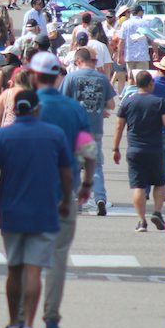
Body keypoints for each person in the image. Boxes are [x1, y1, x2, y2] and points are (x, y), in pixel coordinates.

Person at [0, 89, 73, 328]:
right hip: (43, 209)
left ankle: (13, 323)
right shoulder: (54, 135)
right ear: (36, 109)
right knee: (34, 268)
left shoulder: (2, 135)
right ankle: (29, 327)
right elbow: (66, 172)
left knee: (14, 268)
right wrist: (66, 199)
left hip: (11, 209)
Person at [30, 51, 92, 328]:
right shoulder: (73, 109)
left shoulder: (27, 106)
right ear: (58, 77)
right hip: (64, 189)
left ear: (33, 75)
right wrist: (88, 182)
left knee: (28, 256)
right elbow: (88, 150)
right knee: (57, 256)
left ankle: (21, 318)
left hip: (29, 189)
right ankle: (51, 319)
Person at [112, 71, 165, 233]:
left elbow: (119, 126)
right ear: (150, 84)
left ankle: (141, 221)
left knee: (139, 186)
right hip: (155, 148)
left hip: (135, 149)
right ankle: (157, 212)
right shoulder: (159, 102)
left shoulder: (128, 102)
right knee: (160, 183)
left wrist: (116, 148)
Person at [60, 47, 116, 216]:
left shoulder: (71, 77)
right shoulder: (103, 79)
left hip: (75, 130)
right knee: (96, 166)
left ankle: (76, 203)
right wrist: (99, 108)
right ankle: (100, 198)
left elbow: (63, 102)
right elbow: (111, 104)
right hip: (95, 129)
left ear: (78, 61)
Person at [117, 3, 153, 82]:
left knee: (131, 78)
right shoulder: (145, 23)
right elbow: (152, 39)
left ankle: (131, 94)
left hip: (130, 55)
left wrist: (119, 56)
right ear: (140, 12)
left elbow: (121, 41)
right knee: (143, 80)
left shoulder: (125, 24)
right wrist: (155, 52)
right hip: (142, 55)